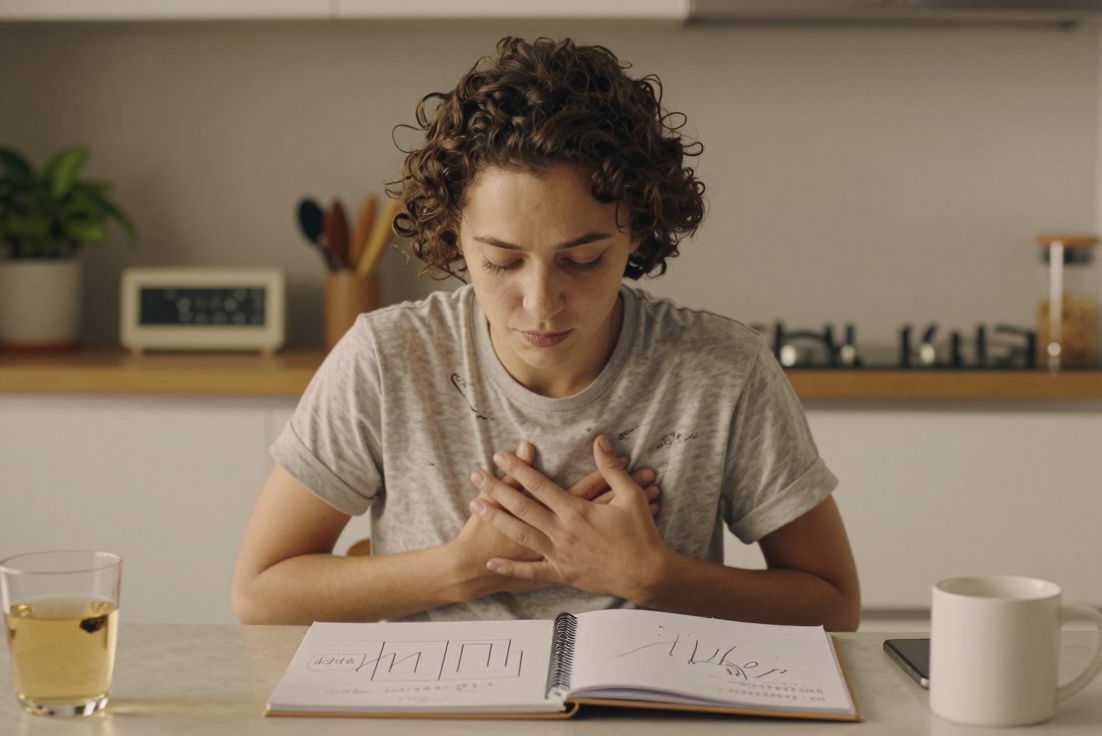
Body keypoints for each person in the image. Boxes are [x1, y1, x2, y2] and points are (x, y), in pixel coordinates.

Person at [232, 36, 860, 630]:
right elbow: (260, 595)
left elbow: (834, 607)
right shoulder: (385, 360)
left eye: (582, 261)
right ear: (454, 235)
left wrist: (653, 577)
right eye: (502, 261)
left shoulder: (723, 369)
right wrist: (463, 568)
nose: (541, 305)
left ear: (638, 229)